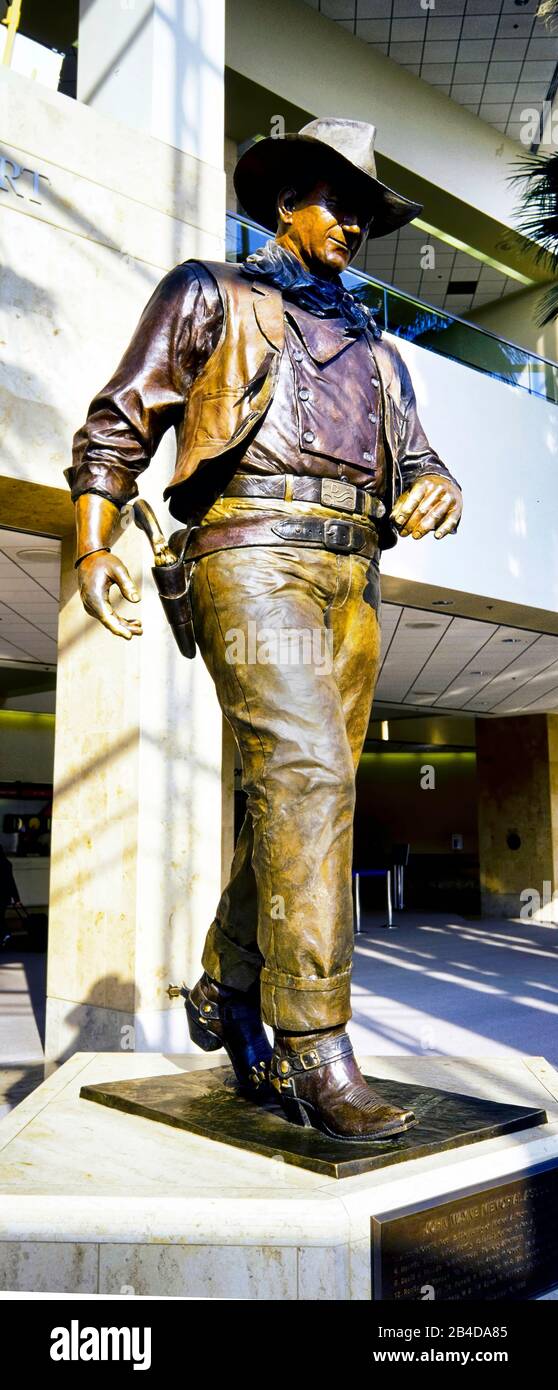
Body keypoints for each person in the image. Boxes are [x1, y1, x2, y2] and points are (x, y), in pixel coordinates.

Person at [66, 118, 463, 1141]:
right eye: (340, 204)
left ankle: (226, 985)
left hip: (353, 577)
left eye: (368, 217)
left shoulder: (378, 351)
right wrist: (94, 542)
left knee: (291, 799)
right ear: (287, 198)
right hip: (248, 557)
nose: (354, 229)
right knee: (311, 780)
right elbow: (120, 420)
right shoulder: (209, 290)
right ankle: (315, 1039)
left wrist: (436, 489)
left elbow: (419, 462)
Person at [0, 845, 22, 937]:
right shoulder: (7, 864)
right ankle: (5, 934)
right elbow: (11, 882)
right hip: (4, 897)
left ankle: (5, 933)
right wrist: (16, 898)